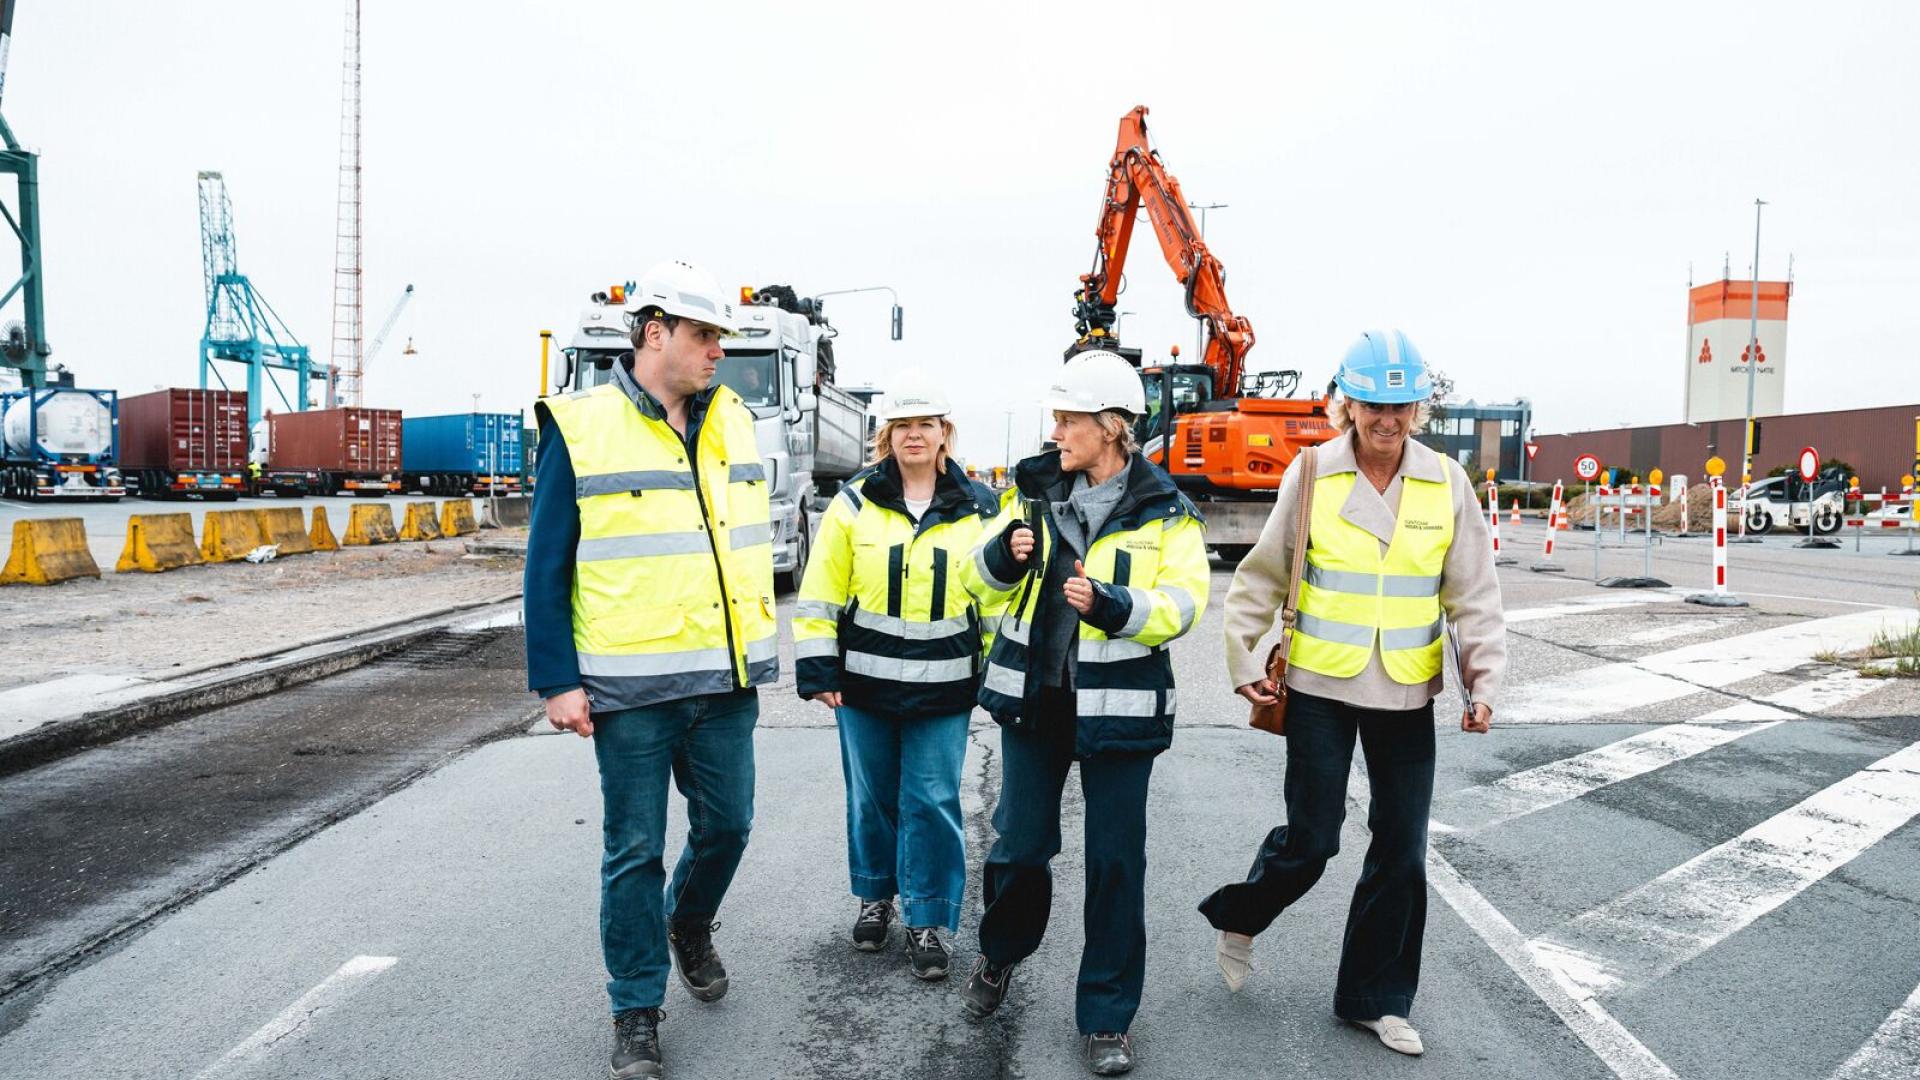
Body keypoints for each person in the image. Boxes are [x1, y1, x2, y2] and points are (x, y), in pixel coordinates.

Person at [1197, 329, 1506, 1058]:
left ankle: (1375, 998)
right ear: (1349, 403)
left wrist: (1483, 680)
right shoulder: (1310, 474)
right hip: (1320, 685)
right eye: (1373, 403)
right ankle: (1241, 913)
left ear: (1418, 409)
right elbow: (1262, 576)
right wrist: (1242, 656)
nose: (1387, 419)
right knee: (1313, 838)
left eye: (1401, 405)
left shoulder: (1444, 482)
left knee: (1402, 850)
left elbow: (1473, 593)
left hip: (1405, 688)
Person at [524, 259, 777, 1080]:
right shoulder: (581, 425)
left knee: (730, 827)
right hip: (628, 689)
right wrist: (557, 680)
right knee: (633, 851)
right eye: (704, 336)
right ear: (655, 332)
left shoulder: (735, 420)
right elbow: (545, 566)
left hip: (722, 680)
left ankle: (689, 924)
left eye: (720, 339)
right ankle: (636, 1009)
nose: (717, 353)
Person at [959, 350, 1211, 1076]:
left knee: (1115, 865)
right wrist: (1004, 558)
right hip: (1036, 705)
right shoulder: (1031, 494)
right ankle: (1000, 954)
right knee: (1018, 848)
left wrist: (1117, 607)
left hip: (1122, 711)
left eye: (1069, 418)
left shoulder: (1166, 511)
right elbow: (980, 585)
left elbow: (1186, 602)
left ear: (1110, 428)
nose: (1057, 429)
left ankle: (1106, 1019)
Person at [793, 370, 999, 981]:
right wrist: (818, 665)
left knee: (932, 801)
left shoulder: (979, 508)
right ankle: (876, 896)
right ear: (888, 436)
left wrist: (998, 673)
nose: (915, 435)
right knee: (873, 799)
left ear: (944, 435)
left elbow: (993, 599)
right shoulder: (854, 503)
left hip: (945, 686)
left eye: (926, 425)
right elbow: (822, 589)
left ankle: (929, 919)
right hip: (863, 684)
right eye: (903, 426)